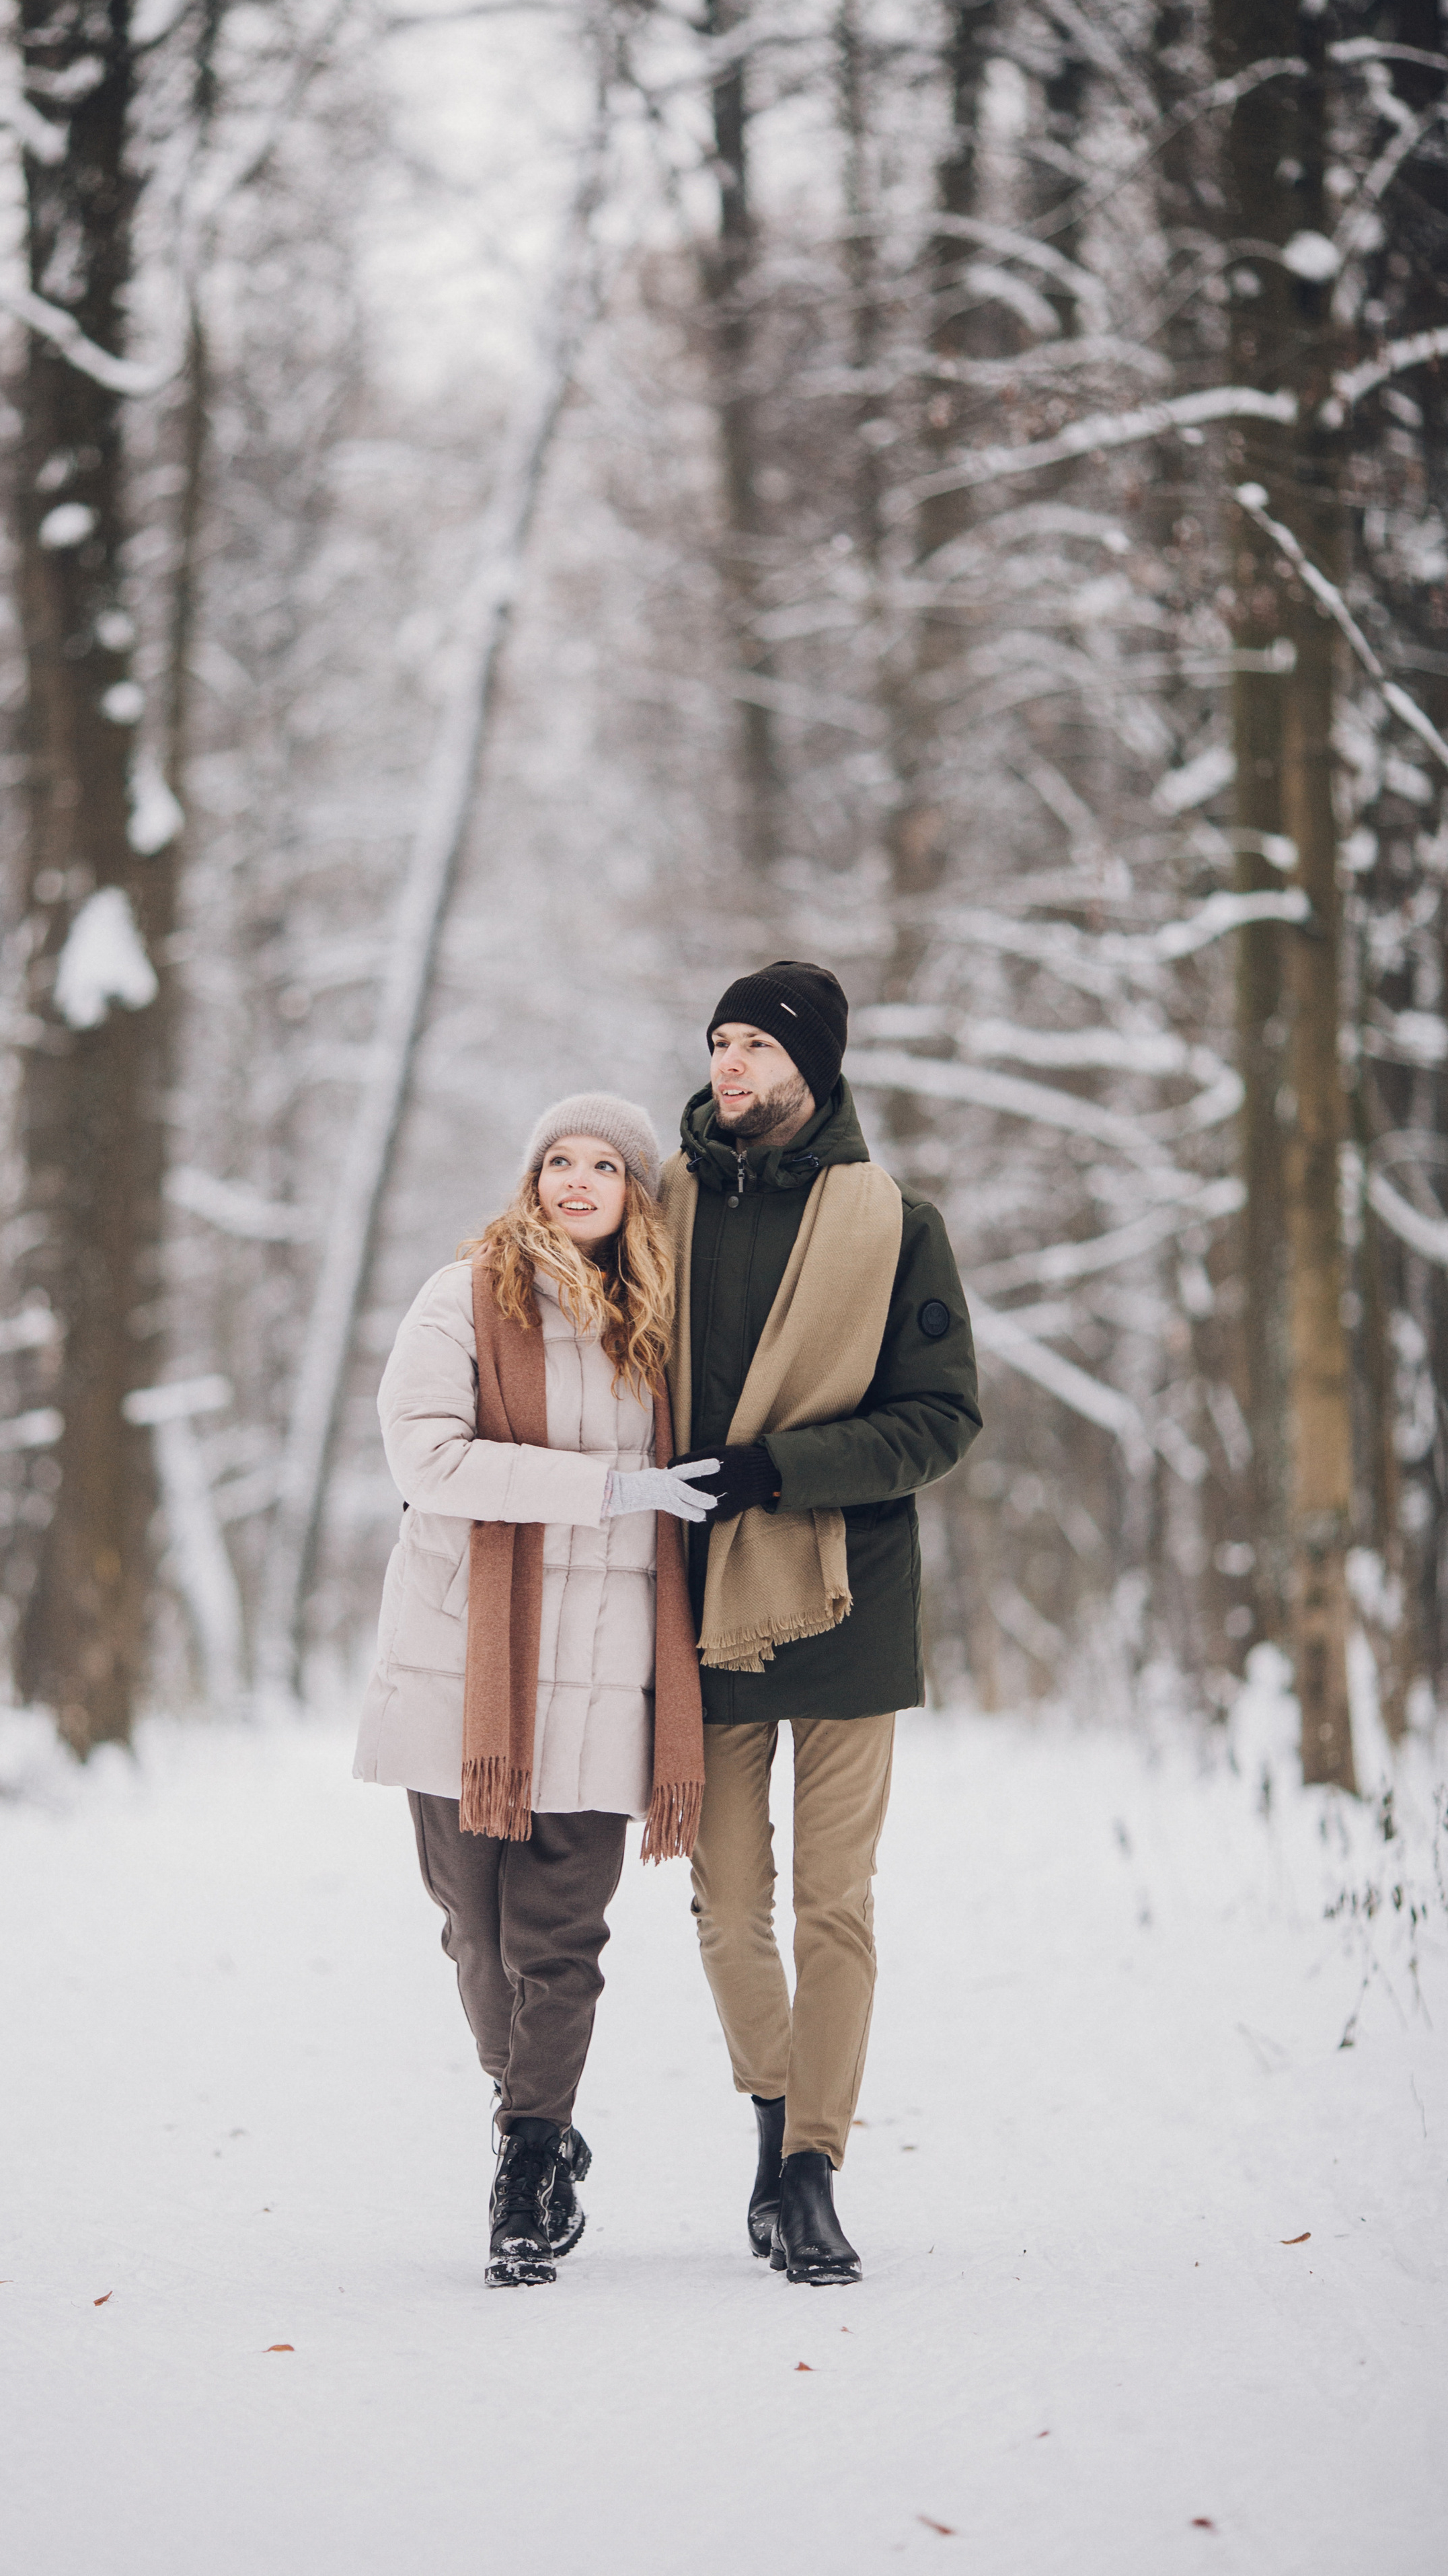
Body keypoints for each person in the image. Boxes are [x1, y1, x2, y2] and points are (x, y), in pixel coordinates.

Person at [354, 1095, 716, 2288]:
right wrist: (614, 1490)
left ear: (635, 1192)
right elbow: (428, 1457)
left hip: (612, 1666)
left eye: (602, 1163)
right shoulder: (464, 1296)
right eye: (557, 1160)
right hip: (468, 1665)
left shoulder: (664, 1324)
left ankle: (526, 2158)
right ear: (530, 1179)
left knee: (559, 1940)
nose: (575, 1178)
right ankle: (540, 2110)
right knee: (475, 1928)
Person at [661, 962, 981, 2286]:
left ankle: (811, 2173)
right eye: (716, 1042)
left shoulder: (893, 1222)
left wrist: (778, 1471)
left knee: (833, 1903)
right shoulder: (659, 1203)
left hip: (847, 1587)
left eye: (752, 1044)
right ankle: (769, 2122)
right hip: (698, 1597)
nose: (726, 1065)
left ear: (812, 1061)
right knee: (729, 1902)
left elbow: (939, 1418)